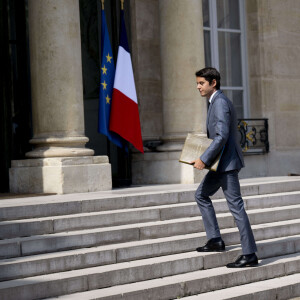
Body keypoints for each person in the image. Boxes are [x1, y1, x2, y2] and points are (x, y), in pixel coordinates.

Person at [191, 67, 258, 268]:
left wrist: (203, 159)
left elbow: (221, 136)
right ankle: (215, 240)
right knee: (201, 195)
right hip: (220, 164)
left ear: (213, 83)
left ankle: (250, 254)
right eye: (197, 83)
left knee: (236, 207)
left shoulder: (219, 102)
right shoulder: (215, 102)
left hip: (226, 164)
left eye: (201, 83)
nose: (198, 87)